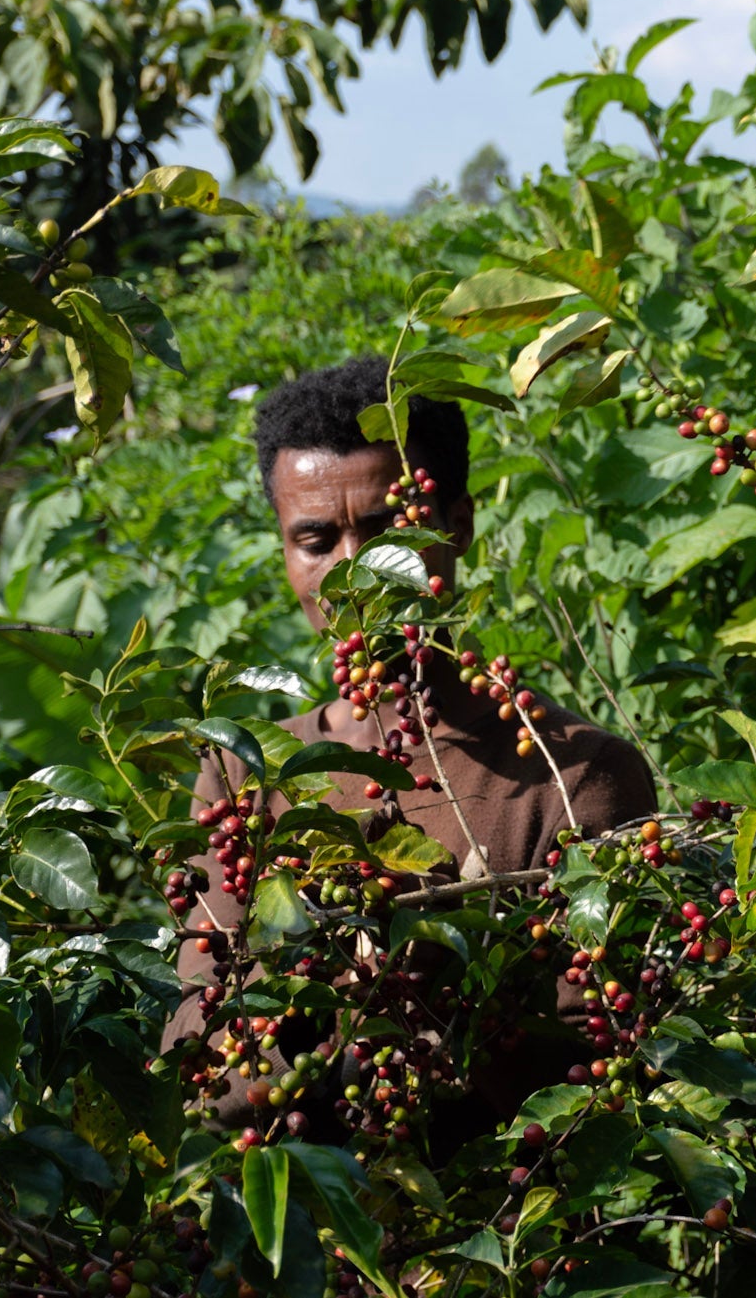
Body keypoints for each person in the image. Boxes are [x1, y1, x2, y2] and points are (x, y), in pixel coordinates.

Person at [165, 355, 656, 1134]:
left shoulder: (573, 774)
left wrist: (442, 985)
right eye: (316, 540)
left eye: (390, 528)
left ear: (453, 527)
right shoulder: (242, 775)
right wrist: (319, 996)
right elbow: (205, 1065)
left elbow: (597, 1071)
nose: (354, 571)